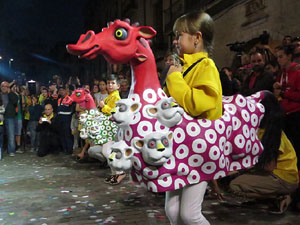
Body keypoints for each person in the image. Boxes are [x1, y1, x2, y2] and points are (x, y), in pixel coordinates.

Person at [164, 11, 223, 225]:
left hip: (198, 149)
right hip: (178, 148)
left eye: (180, 35)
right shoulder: (182, 66)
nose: (175, 40)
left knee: (190, 214)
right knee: (172, 210)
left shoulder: (206, 66)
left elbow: (198, 104)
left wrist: (175, 78)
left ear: (197, 38)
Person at [230, 128, 299, 214]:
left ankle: (279, 196)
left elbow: (269, 167)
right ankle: (274, 196)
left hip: (282, 177)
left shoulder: (270, 134)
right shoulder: (261, 130)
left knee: (235, 186)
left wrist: (246, 166)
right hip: (278, 173)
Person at [89, 74, 125, 185]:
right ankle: (115, 173)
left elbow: (115, 112)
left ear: (118, 86)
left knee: (107, 151)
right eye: (108, 83)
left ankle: (119, 172)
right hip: (107, 126)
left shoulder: (116, 97)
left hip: (112, 127)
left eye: (112, 83)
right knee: (108, 151)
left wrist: (103, 106)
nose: (110, 85)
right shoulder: (110, 96)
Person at [273, 45, 300, 168]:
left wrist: (283, 93)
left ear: (289, 56)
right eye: (277, 57)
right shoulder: (282, 73)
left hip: (296, 114)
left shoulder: (298, 72)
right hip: (285, 114)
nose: (278, 60)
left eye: (281, 56)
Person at [2, 81, 18, 157]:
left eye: (6, 86)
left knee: (11, 134)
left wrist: (10, 93)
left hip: (10, 117)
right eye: (3, 86)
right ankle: (1, 150)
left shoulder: (13, 95)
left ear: (9, 87)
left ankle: (11, 150)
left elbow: (15, 102)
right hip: (1, 117)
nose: (4, 88)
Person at [57, 85, 75, 155]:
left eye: (62, 90)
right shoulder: (59, 99)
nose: (61, 92)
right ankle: (64, 149)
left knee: (67, 134)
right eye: (60, 90)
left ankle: (69, 149)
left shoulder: (69, 98)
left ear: (66, 91)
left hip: (67, 118)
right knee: (61, 134)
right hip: (60, 118)